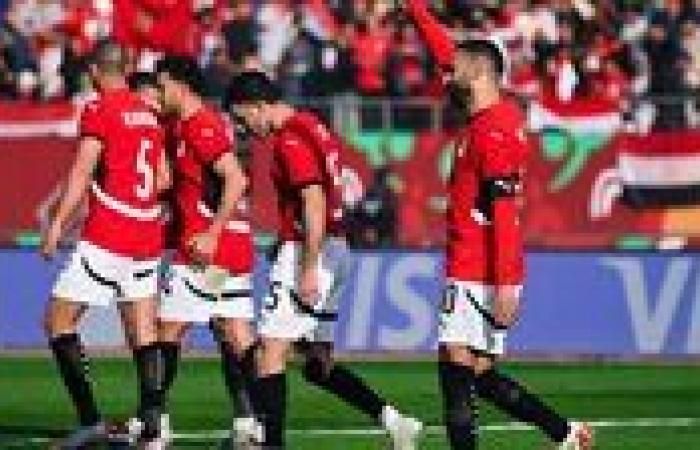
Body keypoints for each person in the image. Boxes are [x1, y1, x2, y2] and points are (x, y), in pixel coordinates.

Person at [404, 0, 593, 449]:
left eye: (454, 69)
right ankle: (565, 434)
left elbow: (505, 212)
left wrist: (507, 283)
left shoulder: (493, 132)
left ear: (479, 73)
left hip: (478, 266)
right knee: (481, 374)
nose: (445, 74)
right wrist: (415, 9)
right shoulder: (488, 119)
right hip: (477, 264)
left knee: (454, 365)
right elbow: (446, 52)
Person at [226, 70, 422, 450]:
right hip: (336, 248)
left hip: (311, 251)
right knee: (317, 363)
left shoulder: (289, 140)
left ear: (259, 105)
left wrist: (307, 268)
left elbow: (313, 201)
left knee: (269, 353)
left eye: (242, 117)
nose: (242, 128)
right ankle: (395, 422)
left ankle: (272, 445)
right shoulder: (312, 124)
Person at [40, 40, 170, 450]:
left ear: (95, 71)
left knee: (58, 322)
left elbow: (81, 172)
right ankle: (153, 429)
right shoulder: (149, 113)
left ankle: (90, 421)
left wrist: (57, 224)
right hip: (147, 233)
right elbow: (162, 178)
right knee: (143, 332)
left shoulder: (99, 109)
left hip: (108, 234)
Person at [151, 55, 261, 448]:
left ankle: (155, 424)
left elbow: (236, 179)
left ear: (181, 86)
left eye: (162, 85)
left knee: (167, 331)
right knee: (233, 333)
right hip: (221, 254)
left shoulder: (202, 125)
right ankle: (254, 421)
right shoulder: (180, 128)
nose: (159, 93)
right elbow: (175, 184)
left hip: (204, 254)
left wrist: (212, 233)